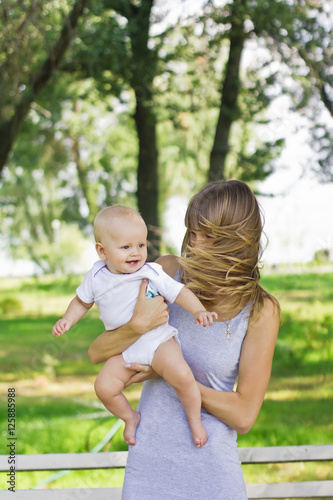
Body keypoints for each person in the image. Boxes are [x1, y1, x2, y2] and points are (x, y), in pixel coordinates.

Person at [88, 180, 280, 500]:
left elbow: (245, 415)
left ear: (238, 241)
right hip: (147, 468)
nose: (195, 244)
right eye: (192, 231)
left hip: (213, 473)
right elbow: (97, 353)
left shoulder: (260, 310)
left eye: (209, 236)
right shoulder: (164, 272)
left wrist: (175, 376)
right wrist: (136, 327)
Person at [52, 206, 217, 448]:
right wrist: (67, 319)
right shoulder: (96, 276)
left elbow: (179, 292)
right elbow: (81, 301)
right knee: (104, 387)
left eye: (140, 245)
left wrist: (199, 310)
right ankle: (130, 417)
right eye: (126, 247)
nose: (135, 253)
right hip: (124, 349)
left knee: (182, 376)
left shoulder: (151, 272)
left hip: (158, 341)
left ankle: (195, 421)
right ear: (102, 251)